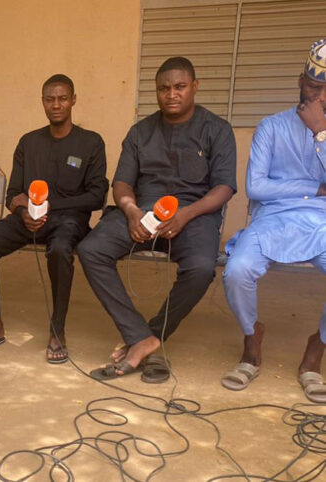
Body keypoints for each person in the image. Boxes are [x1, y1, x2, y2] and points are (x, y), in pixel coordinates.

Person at [78, 57, 237, 382]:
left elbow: (224, 187)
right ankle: (141, 338)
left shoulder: (216, 130)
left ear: (194, 86)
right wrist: (132, 210)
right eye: (164, 88)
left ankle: (148, 336)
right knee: (91, 249)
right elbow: (121, 182)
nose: (171, 94)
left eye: (179, 87)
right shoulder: (140, 132)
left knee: (202, 268)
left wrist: (187, 214)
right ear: (156, 91)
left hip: (193, 215)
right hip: (143, 213)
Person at [0, 74, 108, 363]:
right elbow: (14, 194)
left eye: (62, 98)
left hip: (69, 222)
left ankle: (57, 329)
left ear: (73, 100)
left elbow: (97, 197)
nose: (56, 104)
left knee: (59, 251)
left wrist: (48, 206)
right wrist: (23, 211)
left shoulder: (91, 143)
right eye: (49, 99)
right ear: (43, 102)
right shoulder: (29, 142)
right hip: (28, 220)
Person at [221, 39, 326, 401]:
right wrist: (316, 188)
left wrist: (320, 132)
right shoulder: (271, 126)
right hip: (274, 218)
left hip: (323, 222)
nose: (318, 99)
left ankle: (316, 350)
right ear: (301, 82)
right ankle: (252, 337)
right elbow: (257, 187)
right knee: (237, 270)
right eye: (313, 88)